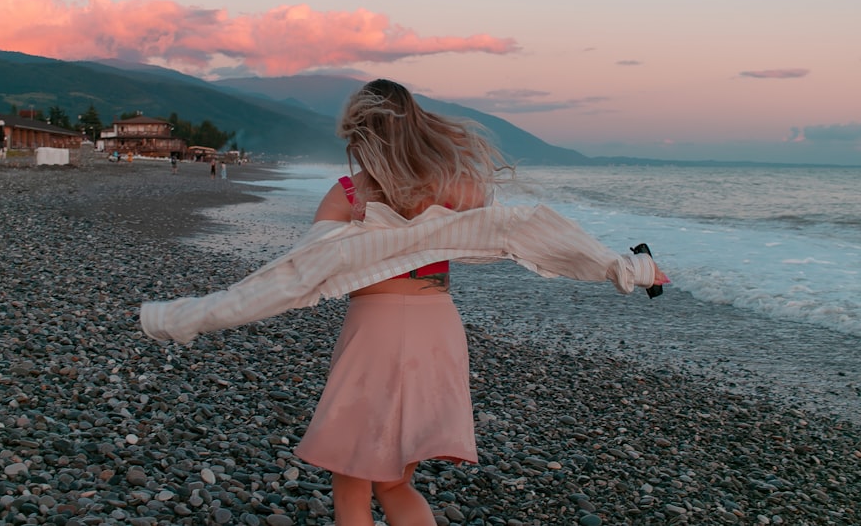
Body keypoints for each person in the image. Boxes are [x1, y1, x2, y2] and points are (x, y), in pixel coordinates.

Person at [141, 79, 667, 525]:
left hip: (377, 333)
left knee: (352, 481)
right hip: (439, 328)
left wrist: (181, 317)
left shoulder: (351, 194)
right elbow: (529, 233)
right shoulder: (458, 187)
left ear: (361, 137)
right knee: (394, 482)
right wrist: (632, 268)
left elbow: (295, 277)